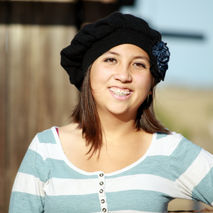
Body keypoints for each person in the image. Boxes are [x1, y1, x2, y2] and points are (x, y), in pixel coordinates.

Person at [9, 12, 213, 213]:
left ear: (151, 83)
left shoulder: (169, 151)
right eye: (110, 60)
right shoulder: (45, 150)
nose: (124, 75)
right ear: (89, 73)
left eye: (139, 64)